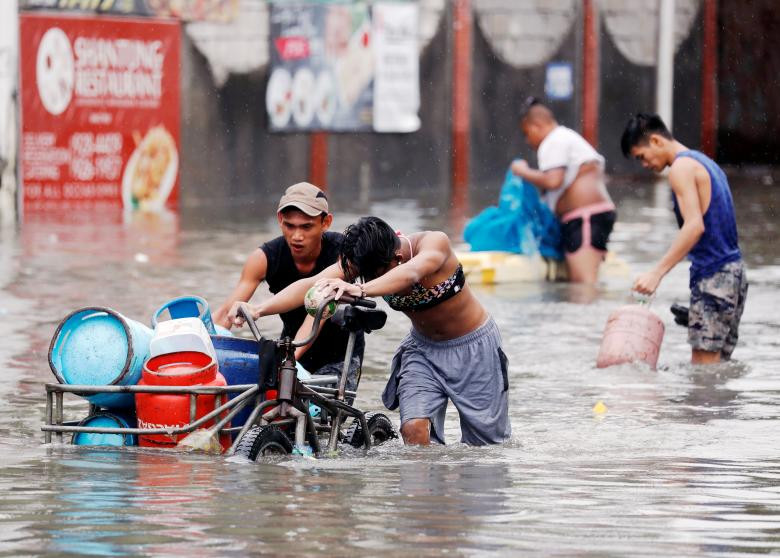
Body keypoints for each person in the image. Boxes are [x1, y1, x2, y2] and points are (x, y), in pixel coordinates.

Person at [229, 216, 511, 447]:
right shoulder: (365, 260)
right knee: (413, 430)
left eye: (373, 275)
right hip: (423, 351)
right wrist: (259, 309)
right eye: (362, 275)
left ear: (396, 256)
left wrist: (360, 289)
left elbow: (411, 273)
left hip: (474, 348)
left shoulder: (433, 244)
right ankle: (426, 507)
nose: (367, 279)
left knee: (485, 448)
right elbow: (312, 283)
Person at [621, 113, 748, 364]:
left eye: (641, 157)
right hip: (734, 274)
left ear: (656, 141)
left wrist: (656, 273)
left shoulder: (680, 168)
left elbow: (694, 227)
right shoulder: (706, 163)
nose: (644, 165)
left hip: (713, 276)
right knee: (717, 367)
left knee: (703, 376)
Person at [212, 182, 364, 389]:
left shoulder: (343, 253)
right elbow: (225, 314)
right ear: (279, 220)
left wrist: (285, 364)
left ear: (326, 222)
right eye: (289, 226)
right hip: (291, 344)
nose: (297, 236)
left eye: (306, 227)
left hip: (339, 355)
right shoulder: (264, 258)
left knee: (318, 413)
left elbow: (315, 316)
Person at [511, 97, 616, 283]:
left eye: (527, 133)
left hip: (585, 219)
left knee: (584, 285)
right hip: (591, 217)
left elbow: (553, 181)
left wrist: (522, 171)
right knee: (583, 283)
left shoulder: (554, 140)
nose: (528, 141)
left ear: (537, 125)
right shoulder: (567, 138)